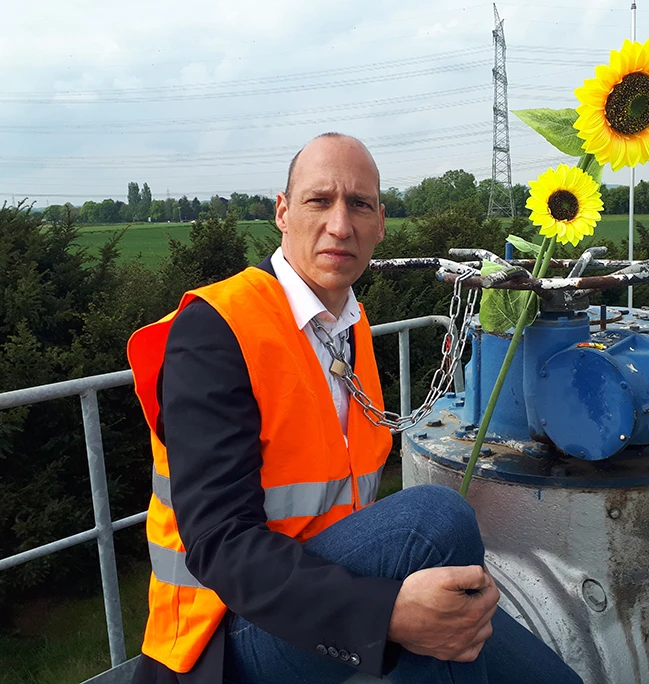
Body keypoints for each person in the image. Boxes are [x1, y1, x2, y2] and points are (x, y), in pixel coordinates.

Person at [127, 133, 583, 684]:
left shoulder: (348, 327)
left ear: (381, 222)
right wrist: (386, 614)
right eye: (319, 200)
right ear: (283, 212)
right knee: (434, 523)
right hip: (224, 635)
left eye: (359, 205)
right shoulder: (217, 329)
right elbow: (220, 543)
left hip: (323, 589)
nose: (340, 226)